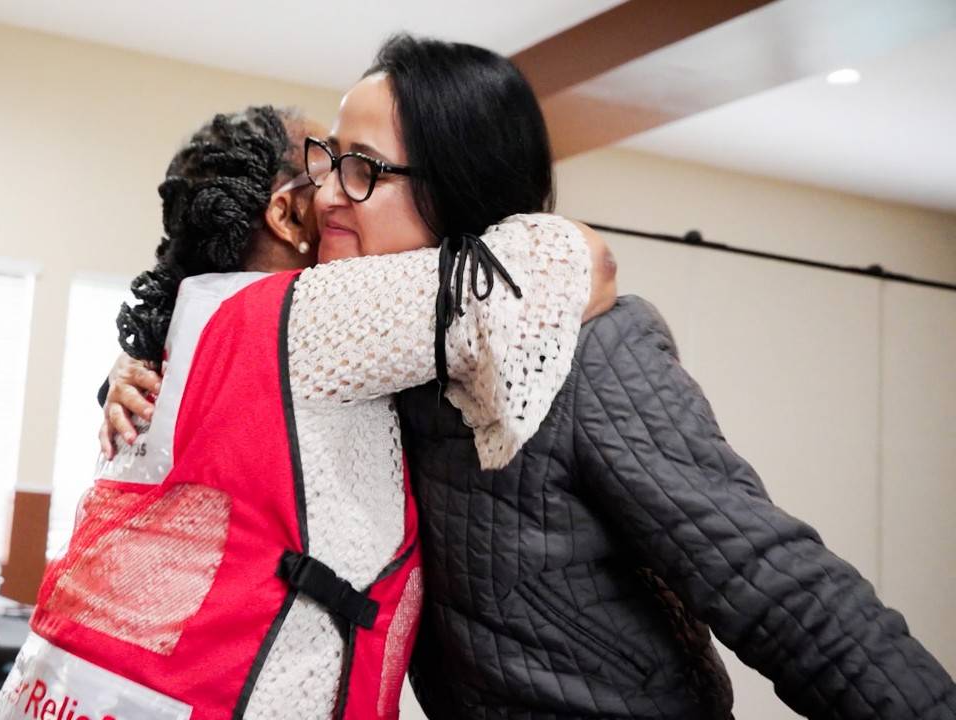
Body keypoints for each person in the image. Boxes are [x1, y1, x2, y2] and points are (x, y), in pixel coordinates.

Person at [104, 35, 956, 720]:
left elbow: (777, 585)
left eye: (361, 166)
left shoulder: (588, 353)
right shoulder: (364, 358)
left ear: (455, 192)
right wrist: (128, 375)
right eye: (328, 156)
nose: (326, 190)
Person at [0, 101, 613, 720]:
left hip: (57, 692)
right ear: (287, 214)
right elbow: (569, 269)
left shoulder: (175, 328)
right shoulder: (313, 312)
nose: (342, 189)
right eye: (324, 168)